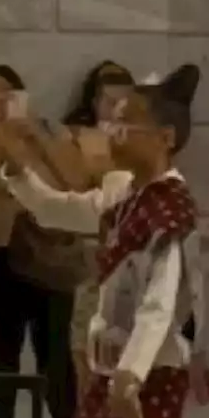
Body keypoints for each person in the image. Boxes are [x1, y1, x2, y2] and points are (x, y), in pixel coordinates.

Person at [0, 64, 206, 418]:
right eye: (112, 119)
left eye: (126, 122)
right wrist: (16, 164)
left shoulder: (172, 209)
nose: (110, 130)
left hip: (152, 374)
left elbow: (160, 303)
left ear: (165, 138)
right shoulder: (120, 191)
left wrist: (131, 375)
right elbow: (55, 209)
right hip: (108, 370)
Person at [0, 65, 81, 418]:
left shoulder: (48, 131)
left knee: (55, 348)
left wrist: (36, 141)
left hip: (49, 255)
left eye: (7, 92)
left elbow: (75, 183)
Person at [61, 61, 137, 396]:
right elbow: (75, 185)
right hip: (90, 248)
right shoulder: (78, 137)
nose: (116, 110)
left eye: (123, 102)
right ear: (95, 102)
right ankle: (85, 409)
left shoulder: (138, 140)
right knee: (83, 339)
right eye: (109, 101)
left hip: (130, 252)